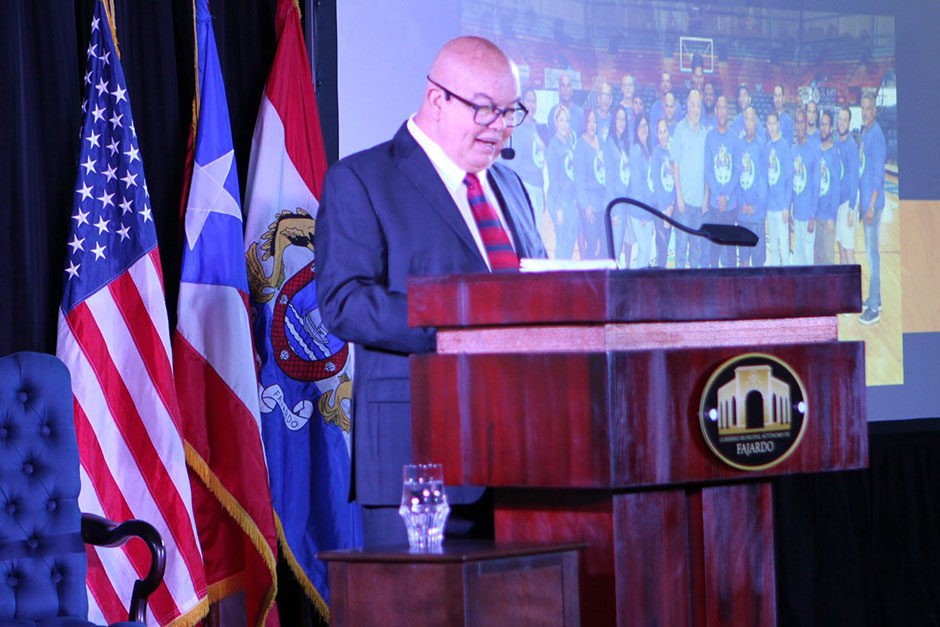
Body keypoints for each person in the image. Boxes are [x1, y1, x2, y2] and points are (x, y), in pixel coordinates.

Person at [314, 36, 547, 547]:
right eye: (486, 110)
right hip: (419, 463)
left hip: (524, 460)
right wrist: (457, 329)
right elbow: (344, 302)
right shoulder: (362, 179)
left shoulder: (510, 186)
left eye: (512, 113)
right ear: (437, 100)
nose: (501, 128)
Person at [671, 88, 708, 269]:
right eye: (692, 105)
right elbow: (675, 165)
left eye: (698, 106)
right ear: (687, 106)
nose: (696, 109)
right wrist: (679, 196)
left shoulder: (705, 133)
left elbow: (707, 169)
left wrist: (706, 197)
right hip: (683, 204)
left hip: (699, 204)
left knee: (697, 252)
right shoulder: (680, 129)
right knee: (680, 251)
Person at [504, 87, 547, 243]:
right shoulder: (519, 129)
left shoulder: (534, 127)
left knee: (538, 235)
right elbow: (515, 165)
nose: (532, 105)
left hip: (538, 188)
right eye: (529, 101)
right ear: (522, 104)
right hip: (526, 188)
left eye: (534, 101)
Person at [858, 92, 886, 325]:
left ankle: (874, 308)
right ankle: (875, 296)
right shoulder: (865, 133)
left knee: (872, 255)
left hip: (873, 207)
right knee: (870, 253)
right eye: (863, 108)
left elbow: (878, 175)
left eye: (869, 108)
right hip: (866, 203)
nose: (866, 111)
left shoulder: (876, 135)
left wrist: (870, 206)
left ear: (874, 110)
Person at [704, 94, 738, 268]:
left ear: (728, 111)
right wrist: (718, 195)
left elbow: (737, 171)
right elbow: (708, 170)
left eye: (725, 107)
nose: (722, 111)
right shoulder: (710, 137)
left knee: (731, 250)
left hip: (730, 204)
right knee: (714, 249)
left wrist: (727, 196)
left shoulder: (734, 137)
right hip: (715, 203)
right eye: (720, 108)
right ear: (716, 111)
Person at [736, 107, 767, 267]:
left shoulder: (761, 146)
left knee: (757, 262)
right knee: (743, 260)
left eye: (751, 120)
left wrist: (755, 207)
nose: (748, 123)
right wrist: (742, 204)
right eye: (746, 120)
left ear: (755, 123)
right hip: (742, 215)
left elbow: (763, 180)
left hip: (757, 215)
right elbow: (737, 178)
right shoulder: (738, 145)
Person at [574, 108, 606, 259]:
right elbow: (579, 179)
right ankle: (589, 280)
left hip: (603, 202)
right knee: (591, 246)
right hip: (590, 205)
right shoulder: (580, 145)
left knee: (605, 246)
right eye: (589, 121)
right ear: (584, 123)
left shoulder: (601, 141)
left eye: (595, 121)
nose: (592, 124)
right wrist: (586, 204)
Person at [604, 106, 634, 264]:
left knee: (620, 246)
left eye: (624, 119)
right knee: (614, 250)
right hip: (616, 204)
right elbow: (608, 180)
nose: (621, 122)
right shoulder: (609, 144)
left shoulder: (625, 143)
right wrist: (612, 210)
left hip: (625, 203)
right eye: (619, 118)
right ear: (613, 120)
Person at [547, 106, 578, 259]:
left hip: (570, 200)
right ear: (555, 122)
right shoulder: (553, 146)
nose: (565, 124)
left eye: (567, 121)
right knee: (562, 242)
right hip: (558, 201)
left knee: (570, 240)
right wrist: (558, 208)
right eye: (561, 120)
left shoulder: (569, 144)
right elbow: (553, 181)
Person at [790, 107, 820, 265]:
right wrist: (789, 213)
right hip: (796, 215)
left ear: (806, 124)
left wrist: (812, 216)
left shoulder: (814, 151)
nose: (800, 126)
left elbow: (816, 187)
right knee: (798, 259)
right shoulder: (793, 150)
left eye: (803, 122)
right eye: (798, 122)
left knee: (808, 261)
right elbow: (791, 185)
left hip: (808, 216)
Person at [765, 110, 792, 266]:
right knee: (773, 248)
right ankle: (775, 284)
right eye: (769, 124)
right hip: (770, 206)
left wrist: (786, 206)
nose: (772, 127)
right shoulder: (768, 147)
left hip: (781, 207)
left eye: (774, 123)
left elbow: (788, 180)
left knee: (784, 249)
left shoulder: (784, 147)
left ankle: (786, 284)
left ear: (779, 125)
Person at [814, 109, 841, 265]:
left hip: (827, 217)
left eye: (826, 125)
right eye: (821, 124)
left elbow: (836, 188)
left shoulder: (834, 154)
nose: (823, 128)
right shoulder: (817, 151)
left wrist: (832, 216)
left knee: (828, 259)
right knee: (817, 258)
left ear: (831, 129)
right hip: (816, 215)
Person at [648, 117, 675, 268]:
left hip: (670, 208)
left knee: (666, 249)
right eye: (660, 132)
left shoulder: (672, 151)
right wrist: (665, 211)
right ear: (656, 134)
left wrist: (672, 205)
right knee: (661, 249)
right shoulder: (656, 154)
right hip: (660, 209)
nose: (663, 135)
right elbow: (657, 185)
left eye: (665, 131)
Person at [835, 105, 860, 265]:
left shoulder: (852, 145)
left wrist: (851, 209)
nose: (842, 123)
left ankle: (854, 288)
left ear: (849, 122)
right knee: (841, 246)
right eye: (840, 119)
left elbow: (854, 178)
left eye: (845, 119)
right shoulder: (837, 143)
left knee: (849, 249)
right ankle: (845, 287)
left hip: (847, 205)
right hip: (838, 204)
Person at [548, 72, 583, 141]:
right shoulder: (553, 112)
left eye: (568, 86)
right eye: (563, 86)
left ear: (572, 90)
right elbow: (551, 140)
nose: (565, 89)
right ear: (559, 90)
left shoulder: (580, 113)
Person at [619, 74, 637, 145]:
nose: (628, 88)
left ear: (633, 88)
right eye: (625, 85)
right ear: (622, 88)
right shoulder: (617, 109)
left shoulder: (637, 109)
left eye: (630, 85)